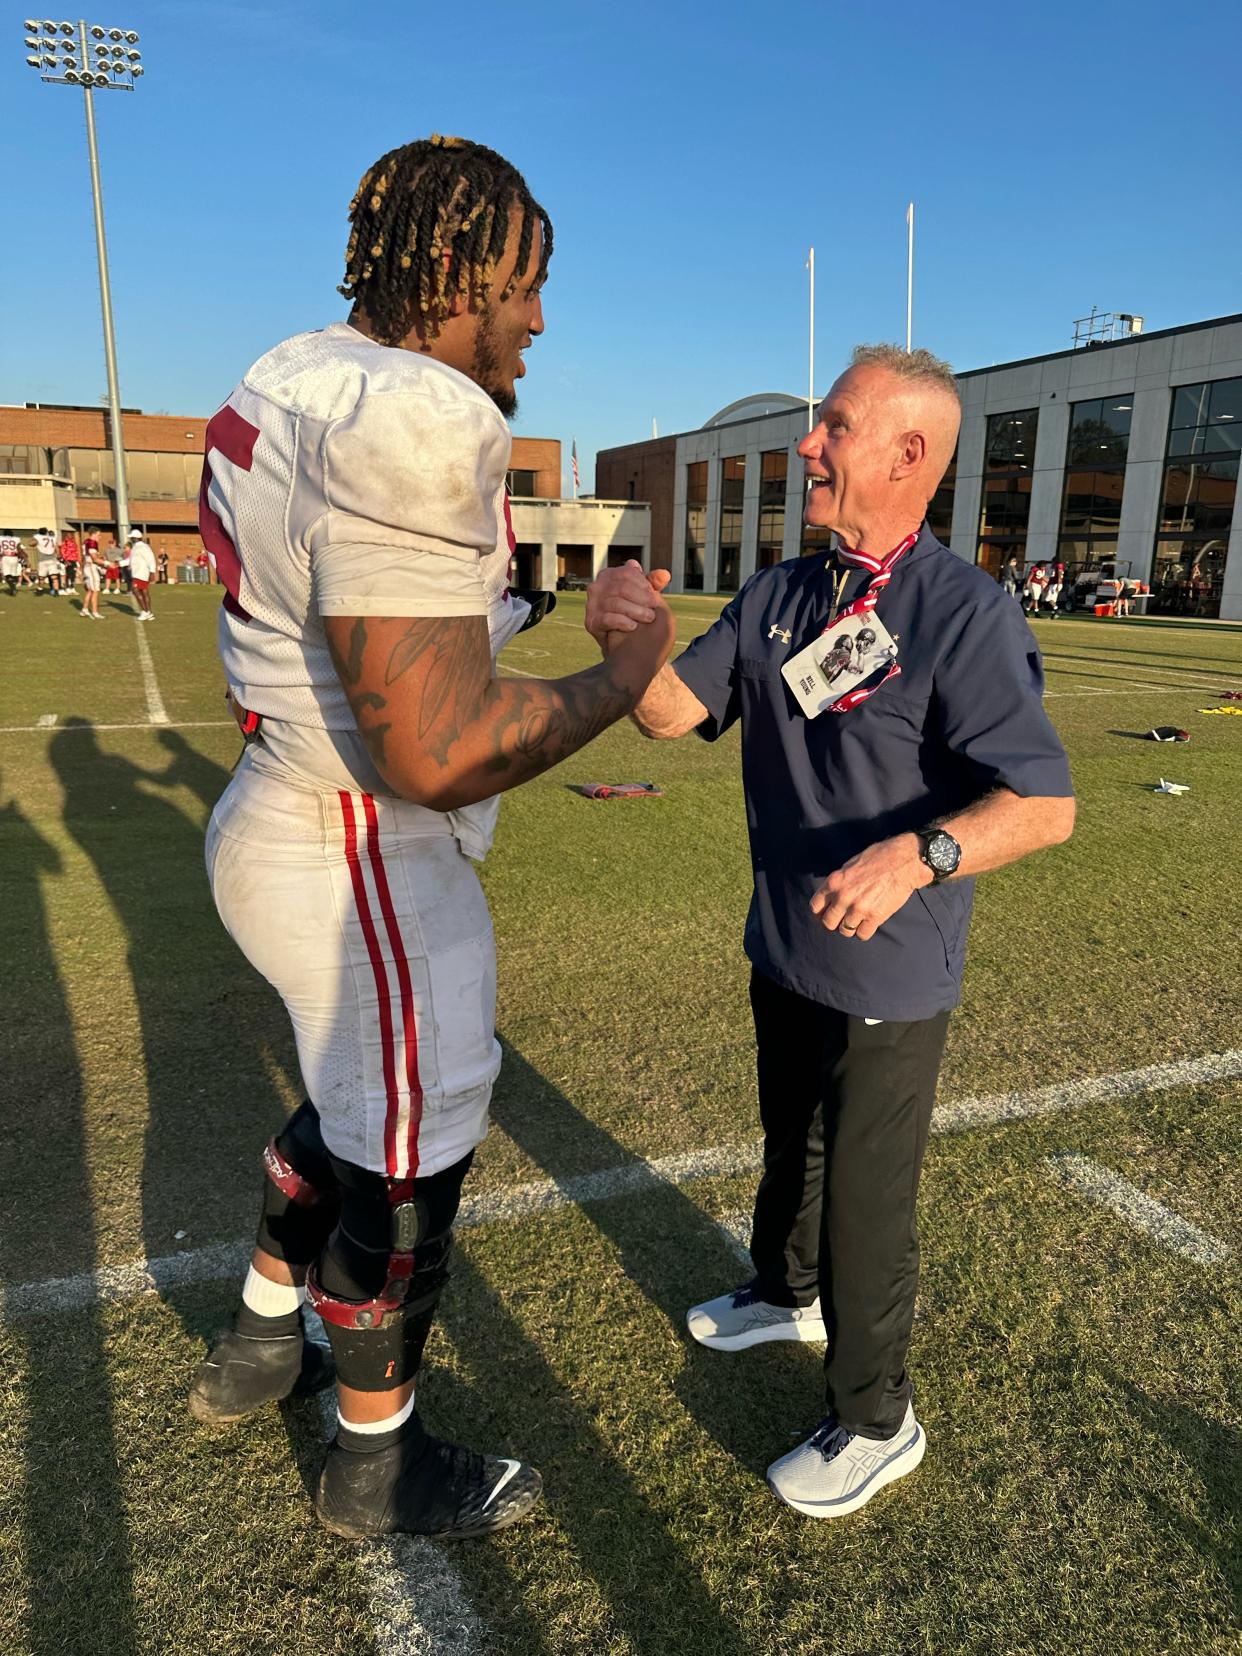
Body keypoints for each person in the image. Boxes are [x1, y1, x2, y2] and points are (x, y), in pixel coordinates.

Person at [187, 134, 675, 1544]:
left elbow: (355, 621)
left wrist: (520, 621)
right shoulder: (415, 414)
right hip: (365, 852)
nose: (536, 317)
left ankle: (262, 1336)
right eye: (524, 284)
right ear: (458, 273)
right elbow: (438, 750)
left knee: (349, 1108)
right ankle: (370, 1466)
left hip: (275, 807)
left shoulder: (294, 367)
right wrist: (622, 678)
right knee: (406, 1167)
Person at [586, 343, 1075, 1520]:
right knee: (788, 1138)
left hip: (892, 973)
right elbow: (668, 715)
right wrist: (632, 647)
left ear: (909, 455)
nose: (810, 444)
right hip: (787, 940)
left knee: (868, 1194)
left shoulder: (964, 613)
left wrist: (919, 855)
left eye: (836, 427)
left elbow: (1046, 805)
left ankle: (875, 1419)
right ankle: (781, 1290)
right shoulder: (782, 595)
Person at [127, 528, 156, 619]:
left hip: (141, 573)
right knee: (144, 592)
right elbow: (131, 560)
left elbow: (150, 559)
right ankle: (149, 612)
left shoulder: (143, 547)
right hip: (138, 572)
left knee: (135, 590)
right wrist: (119, 563)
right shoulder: (135, 547)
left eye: (132, 538)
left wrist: (152, 571)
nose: (130, 539)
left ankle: (145, 611)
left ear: (136, 538)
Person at [79, 534, 104, 618]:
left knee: (90, 590)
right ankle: (95, 612)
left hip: (87, 566)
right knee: (95, 590)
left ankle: (84, 609)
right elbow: (94, 559)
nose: (99, 537)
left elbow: (83, 557)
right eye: (98, 535)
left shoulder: (86, 542)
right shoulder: (92, 543)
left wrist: (82, 570)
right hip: (91, 567)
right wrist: (107, 563)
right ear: (94, 534)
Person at [34, 527, 60, 595]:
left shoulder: (38, 537)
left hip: (43, 560)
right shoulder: (52, 538)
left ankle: (40, 589)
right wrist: (59, 556)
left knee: (41, 577)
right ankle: (56, 591)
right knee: (54, 576)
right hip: (52, 559)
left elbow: (31, 543)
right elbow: (57, 548)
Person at [0, 531, 20, 597]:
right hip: (14, 557)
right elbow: (19, 549)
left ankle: (13, 588)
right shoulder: (16, 539)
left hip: (5, 557)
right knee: (14, 574)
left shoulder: (1, 538)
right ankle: (13, 585)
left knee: (7, 575)